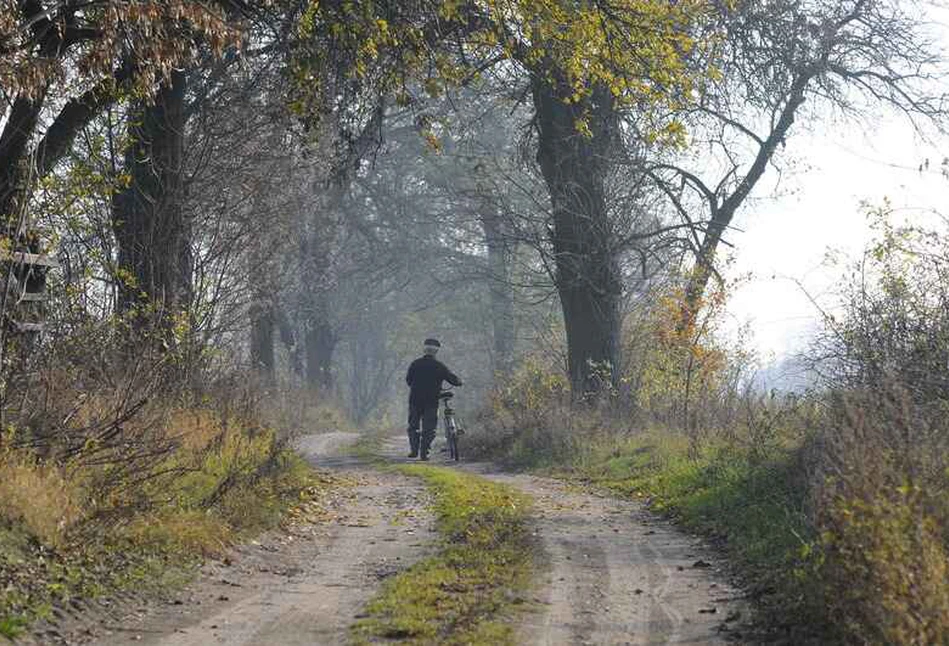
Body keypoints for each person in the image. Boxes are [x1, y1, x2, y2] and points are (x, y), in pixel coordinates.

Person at [405, 338, 462, 460]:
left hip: (415, 399)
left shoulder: (415, 364)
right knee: (429, 428)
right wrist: (459, 381)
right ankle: (424, 452)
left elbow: (408, 380)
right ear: (436, 352)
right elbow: (453, 379)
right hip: (431, 401)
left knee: (413, 426)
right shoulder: (439, 366)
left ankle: (414, 450)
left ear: (424, 349)